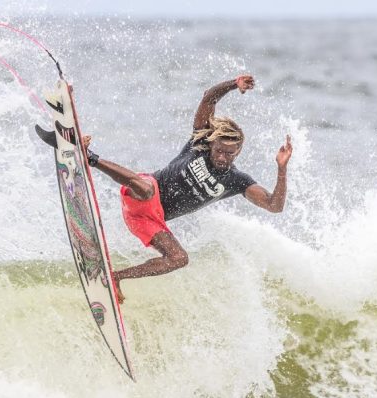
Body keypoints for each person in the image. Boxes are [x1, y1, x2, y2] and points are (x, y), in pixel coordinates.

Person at [82, 75, 292, 302]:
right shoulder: (200, 143)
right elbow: (209, 99)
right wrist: (234, 84)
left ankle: (114, 277)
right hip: (140, 192)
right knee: (147, 189)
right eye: (219, 150)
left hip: (149, 220)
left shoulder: (236, 180)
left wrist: (281, 169)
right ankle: (90, 158)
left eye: (229, 153)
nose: (222, 157)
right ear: (212, 144)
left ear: (238, 151)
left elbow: (274, 206)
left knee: (179, 258)